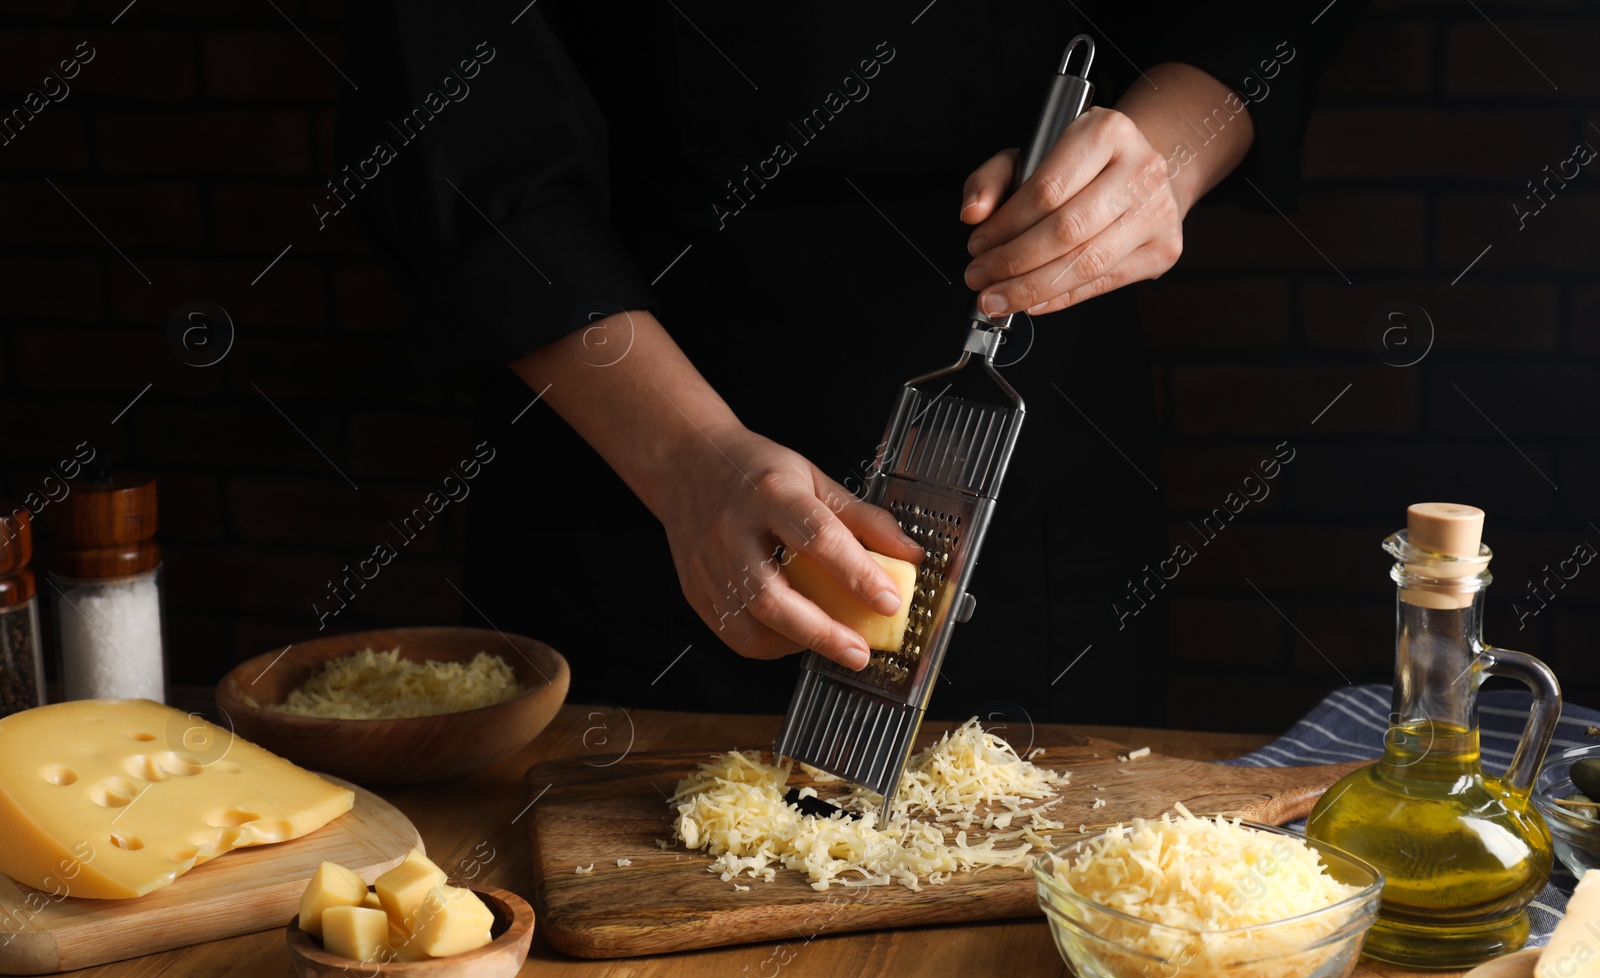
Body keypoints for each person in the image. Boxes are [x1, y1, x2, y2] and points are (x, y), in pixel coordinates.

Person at [337, 2, 1366, 725]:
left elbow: (1257, 14)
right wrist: (691, 461)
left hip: (1042, 490)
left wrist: (1163, 160)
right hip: (631, 453)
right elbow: (461, 124)